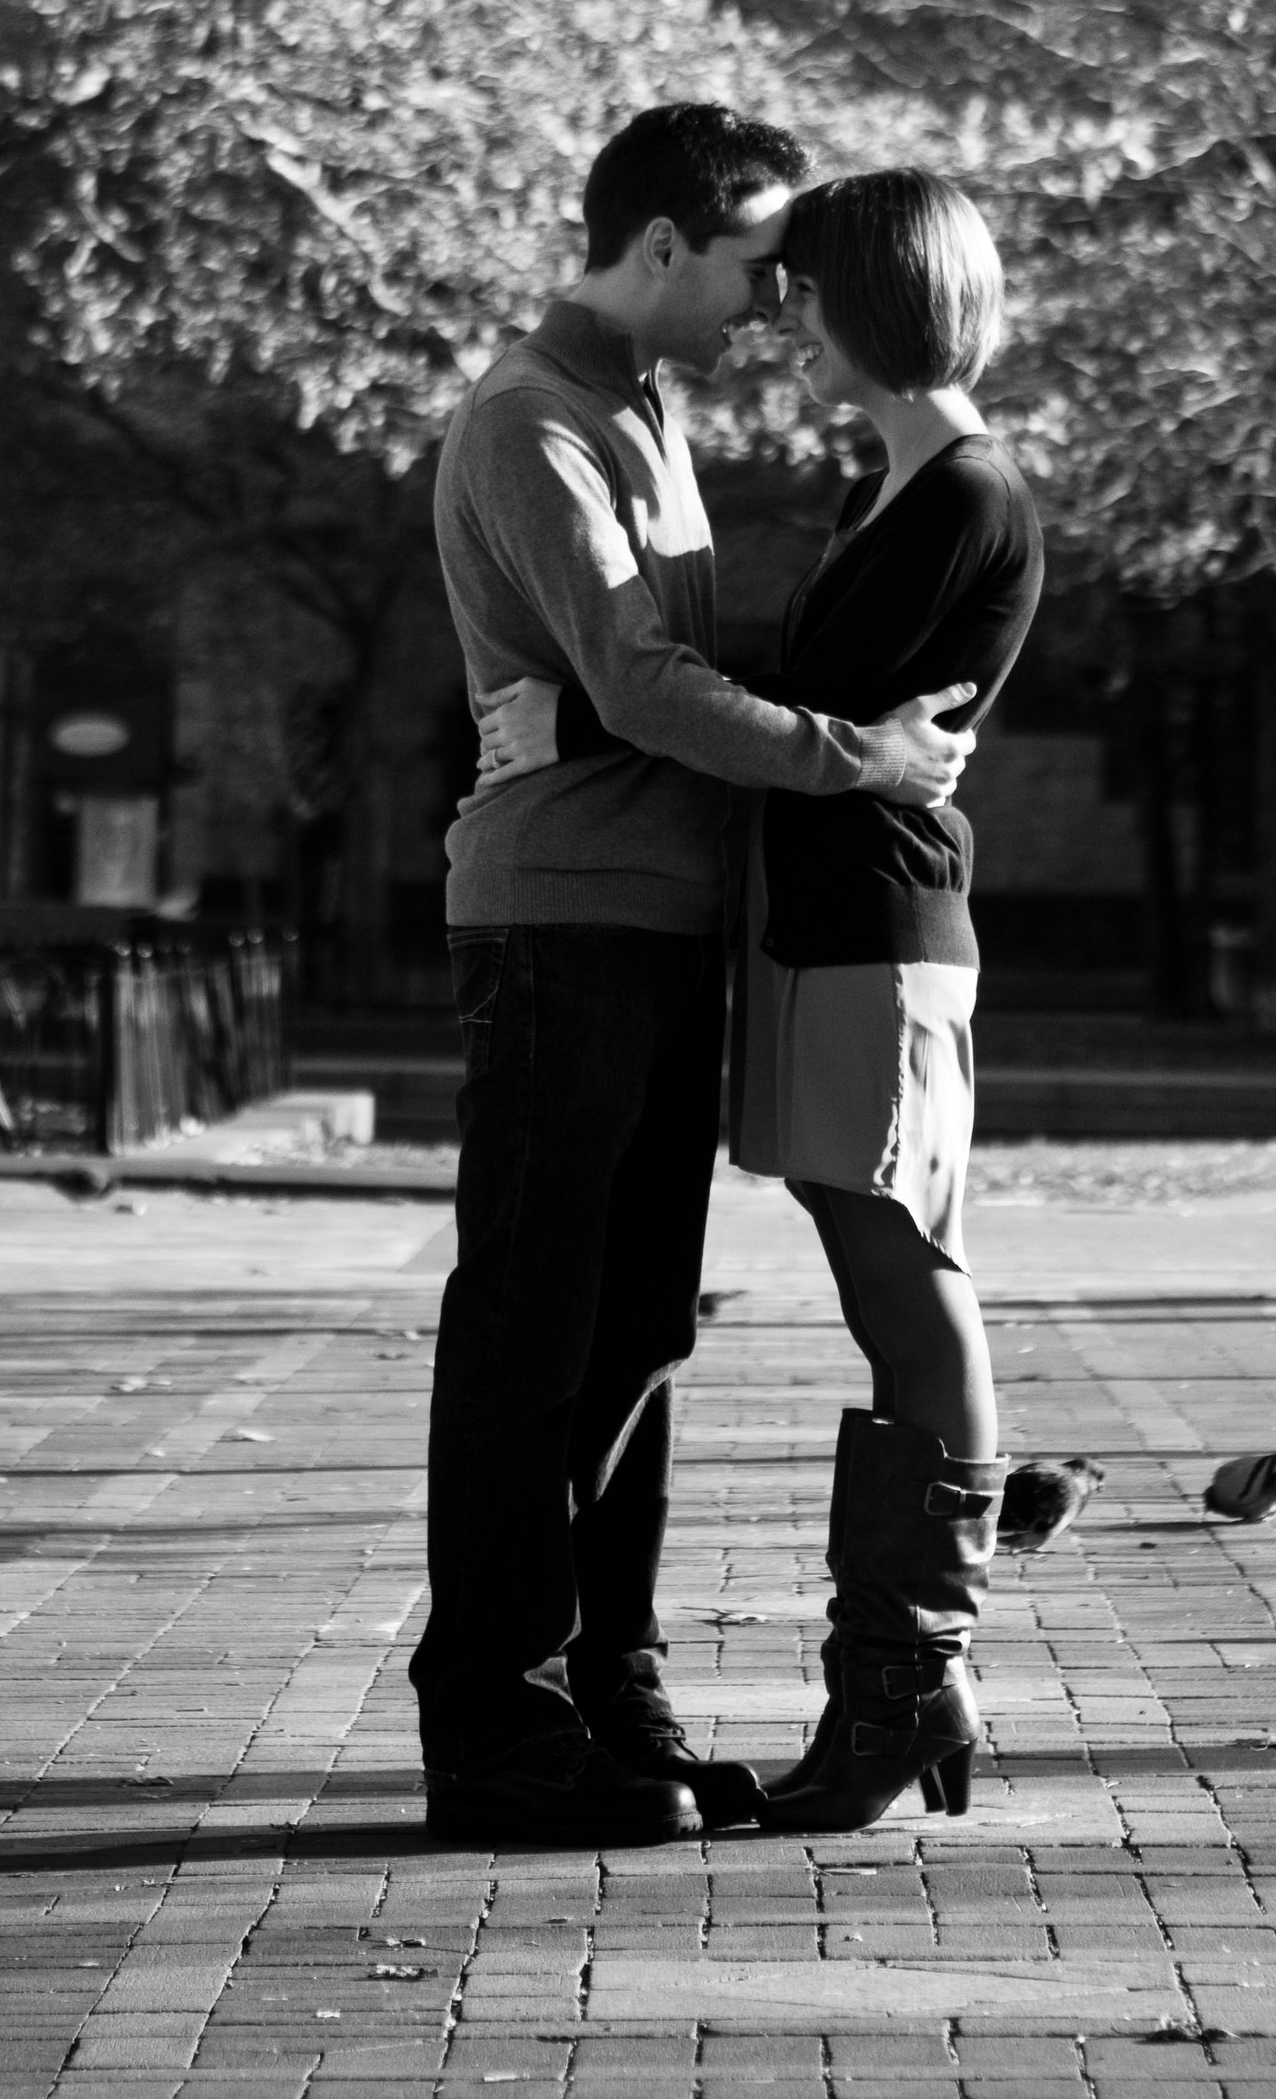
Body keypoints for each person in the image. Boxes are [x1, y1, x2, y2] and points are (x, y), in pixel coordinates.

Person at [413, 104, 983, 1851]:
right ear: (664, 244)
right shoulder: (529, 423)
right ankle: (495, 1727)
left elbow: (629, 680)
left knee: (635, 1330)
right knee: (530, 1329)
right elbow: (653, 684)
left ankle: (608, 1690)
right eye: (754, 264)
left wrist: (586, 704)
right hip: (558, 921)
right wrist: (861, 758)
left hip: (659, 923)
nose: (772, 299)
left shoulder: (646, 416)